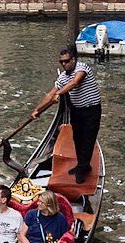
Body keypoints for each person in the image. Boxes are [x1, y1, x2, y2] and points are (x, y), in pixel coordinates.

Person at [32, 45, 102, 183]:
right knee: (78, 138)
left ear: (73, 59)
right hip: (76, 110)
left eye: (66, 61)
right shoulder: (63, 77)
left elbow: (75, 83)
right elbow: (50, 95)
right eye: (61, 62)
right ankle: (83, 165)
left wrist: (59, 93)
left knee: (88, 139)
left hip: (91, 110)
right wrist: (37, 110)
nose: (64, 64)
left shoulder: (82, 68)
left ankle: (82, 169)